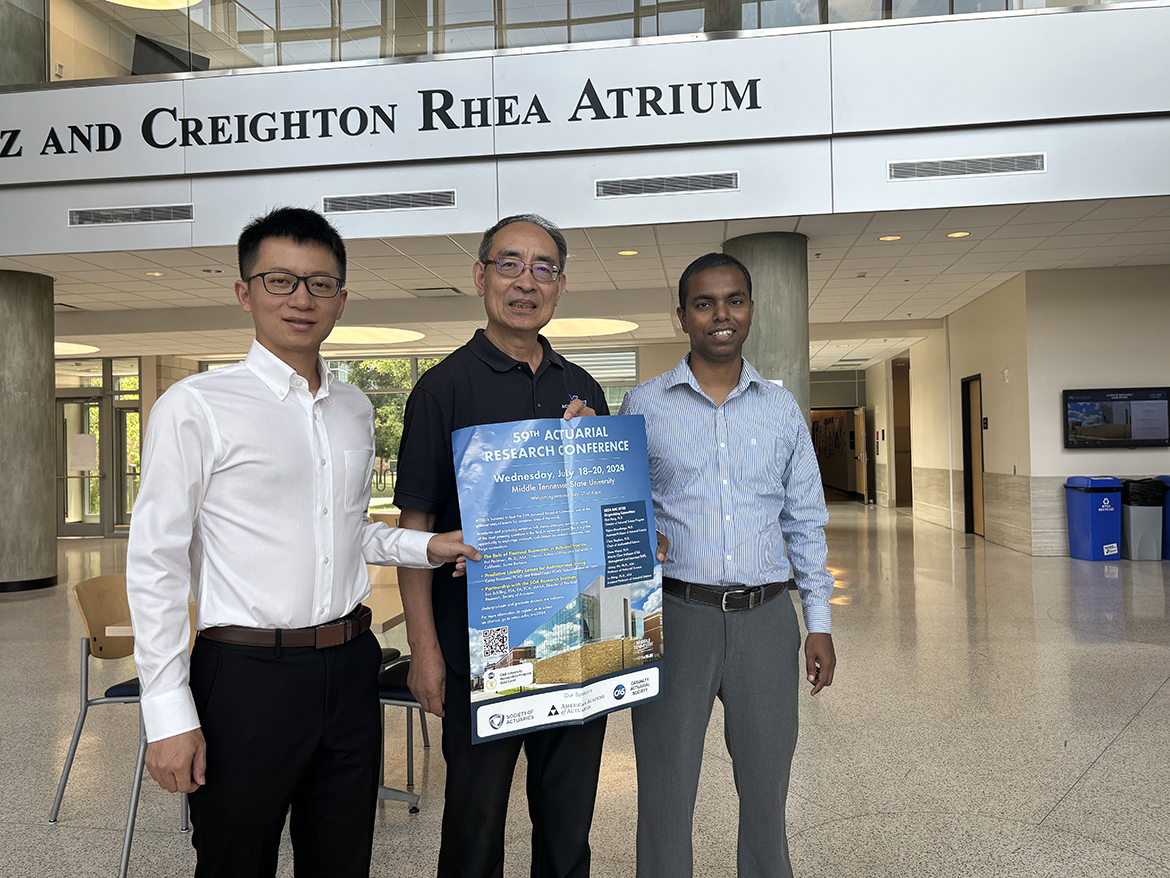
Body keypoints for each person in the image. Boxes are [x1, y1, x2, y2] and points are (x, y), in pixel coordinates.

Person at [125, 207, 478, 878]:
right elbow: (156, 563)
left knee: (342, 859)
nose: (300, 299)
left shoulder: (352, 409)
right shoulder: (196, 406)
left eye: (319, 284)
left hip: (349, 669)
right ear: (244, 291)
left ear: (341, 300)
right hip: (246, 678)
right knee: (236, 861)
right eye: (280, 280)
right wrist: (168, 711)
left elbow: (345, 531)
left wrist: (428, 547)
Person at [394, 214, 609, 878]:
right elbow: (414, 530)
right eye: (510, 264)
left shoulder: (585, 388)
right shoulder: (444, 388)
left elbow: (605, 519)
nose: (526, 281)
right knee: (474, 824)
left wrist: (600, 448)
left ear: (561, 284)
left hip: (576, 642)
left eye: (543, 267)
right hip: (480, 650)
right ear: (481, 275)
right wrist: (426, 652)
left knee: (568, 825)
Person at [619, 252, 837, 878]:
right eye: (705, 303)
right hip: (673, 618)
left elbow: (804, 519)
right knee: (664, 795)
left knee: (767, 794)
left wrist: (816, 620)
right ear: (682, 314)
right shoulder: (643, 404)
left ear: (750, 308)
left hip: (766, 619)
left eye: (734, 300)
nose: (721, 315)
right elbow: (616, 509)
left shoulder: (780, 408)